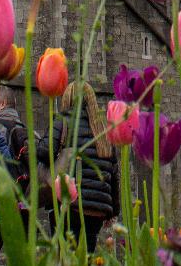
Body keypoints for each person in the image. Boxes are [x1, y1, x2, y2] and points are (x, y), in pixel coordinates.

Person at [52, 81, 120, 251]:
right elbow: (113, 173)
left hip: (70, 205)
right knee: (87, 253)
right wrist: (113, 210)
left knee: (65, 254)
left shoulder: (64, 121)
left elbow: (43, 150)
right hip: (97, 209)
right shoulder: (102, 130)